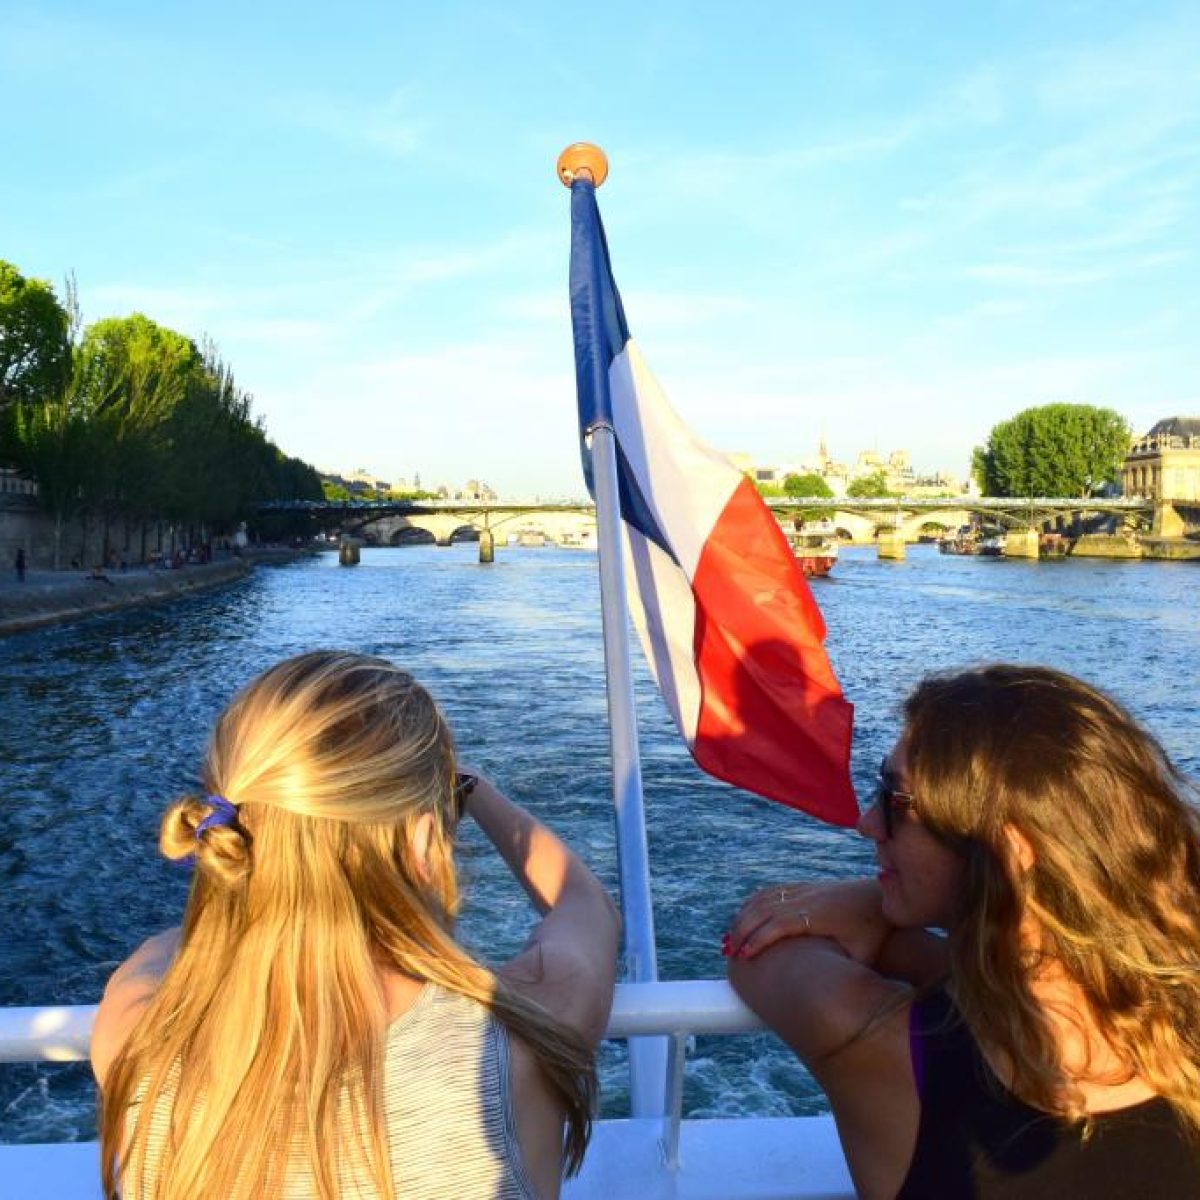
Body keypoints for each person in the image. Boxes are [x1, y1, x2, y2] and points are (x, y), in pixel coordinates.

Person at [91, 650, 620, 1200]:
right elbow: (585, 905)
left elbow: (166, 950)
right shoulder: (516, 1043)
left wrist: (263, 893)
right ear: (423, 843)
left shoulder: (138, 1039)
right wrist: (471, 785)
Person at [726, 664, 1200, 1200]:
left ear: (1008, 855)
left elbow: (757, 947)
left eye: (897, 802)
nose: (868, 823)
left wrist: (873, 909)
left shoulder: (892, 1056)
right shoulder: (1184, 1033)